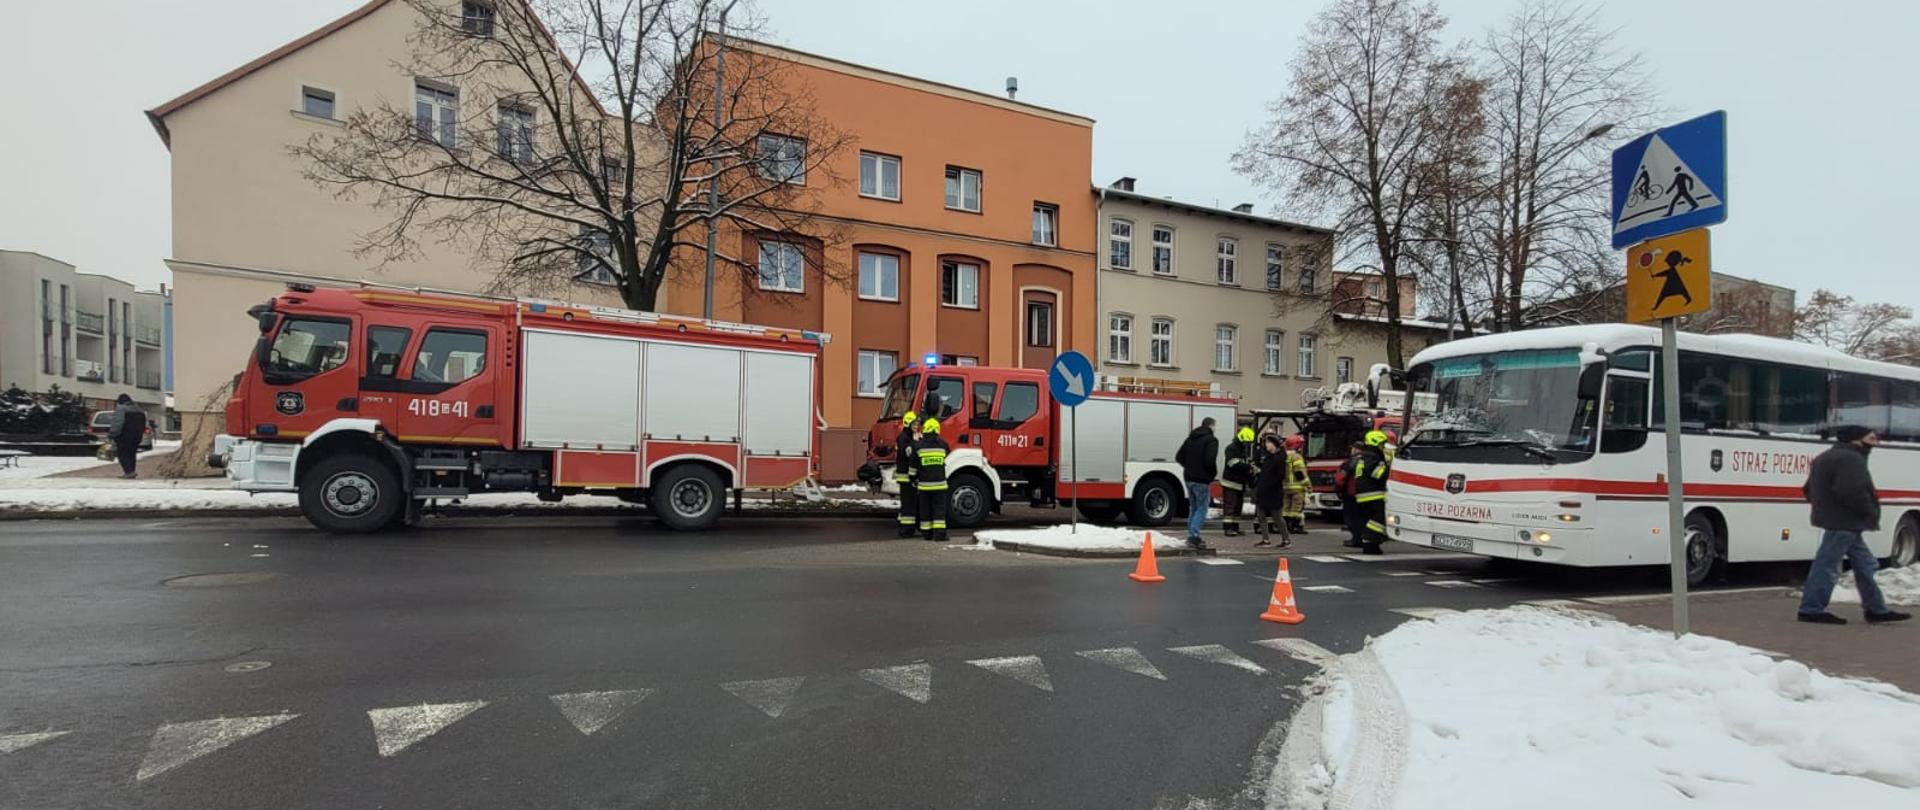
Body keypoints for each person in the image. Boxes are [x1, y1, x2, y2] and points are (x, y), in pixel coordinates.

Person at [1796, 426, 1911, 625]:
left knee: (1864, 564)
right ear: (1856, 439)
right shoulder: (1851, 459)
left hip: (1840, 521)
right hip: (1845, 522)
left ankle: (1876, 609)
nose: (1876, 442)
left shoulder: (1825, 457)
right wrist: (1869, 511)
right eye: (1871, 438)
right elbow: (1851, 491)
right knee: (1827, 565)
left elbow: (1808, 490)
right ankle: (1812, 609)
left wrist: (1825, 507)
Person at [1175, 417, 1220, 550]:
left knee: (1193, 507)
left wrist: (1189, 467)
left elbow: (1179, 457)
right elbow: (1210, 460)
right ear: (1211, 426)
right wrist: (1211, 474)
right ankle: (1194, 536)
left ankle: (1191, 533)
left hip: (1188, 477)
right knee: (1202, 507)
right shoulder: (1211, 440)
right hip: (1202, 479)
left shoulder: (1190, 438)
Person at [1348, 430, 1392, 555]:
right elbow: (1377, 474)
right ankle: (1369, 543)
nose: (1383, 447)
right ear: (1375, 442)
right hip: (1373, 494)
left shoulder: (1365, 455)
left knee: (1372, 520)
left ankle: (1372, 543)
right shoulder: (1373, 456)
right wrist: (1388, 465)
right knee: (1379, 520)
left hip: (1364, 494)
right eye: (1382, 444)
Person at [914, 417, 950, 542]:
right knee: (939, 510)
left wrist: (913, 478)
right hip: (940, 485)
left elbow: (913, 466)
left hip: (924, 486)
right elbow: (947, 455)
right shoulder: (943, 445)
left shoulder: (919, 446)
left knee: (925, 510)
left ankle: (927, 534)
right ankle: (940, 535)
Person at [1252, 435, 1291, 549]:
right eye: (1265, 442)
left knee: (1277, 517)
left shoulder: (1279, 458)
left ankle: (1286, 540)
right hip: (1263, 490)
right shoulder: (1268, 457)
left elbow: (1280, 475)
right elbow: (1265, 473)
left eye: (1268, 442)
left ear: (1274, 444)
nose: (1266, 445)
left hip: (1273, 491)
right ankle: (1265, 539)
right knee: (1260, 515)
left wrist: (1268, 484)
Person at [1221, 426, 1256, 537]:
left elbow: (1243, 466)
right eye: (1246, 442)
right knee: (1230, 507)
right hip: (1231, 483)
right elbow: (1232, 463)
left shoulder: (1241, 449)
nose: (1247, 444)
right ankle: (1228, 529)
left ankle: (1235, 527)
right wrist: (1247, 466)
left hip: (1239, 484)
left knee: (1237, 507)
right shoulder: (1231, 448)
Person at [893, 410, 920, 538]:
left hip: (909, 475)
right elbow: (909, 453)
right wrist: (915, 442)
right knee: (908, 504)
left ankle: (905, 526)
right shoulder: (904, 438)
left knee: (908, 504)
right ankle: (906, 531)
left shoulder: (906, 437)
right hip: (906, 476)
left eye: (917, 425)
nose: (916, 427)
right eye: (914, 425)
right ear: (908, 425)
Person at [106, 394, 146, 480]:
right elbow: (143, 424)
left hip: (124, 436)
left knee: (122, 454)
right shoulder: (140, 410)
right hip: (137, 436)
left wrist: (112, 434)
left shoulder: (121, 409)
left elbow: (118, 423)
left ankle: (128, 472)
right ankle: (132, 471)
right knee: (132, 454)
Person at [1336, 441, 1366, 548]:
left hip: (1351, 493)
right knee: (1362, 517)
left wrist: (1338, 489)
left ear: (1357, 450)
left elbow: (1341, 479)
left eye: (1353, 448)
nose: (1351, 450)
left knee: (1351, 518)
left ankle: (1356, 539)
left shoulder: (1351, 462)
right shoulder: (1369, 460)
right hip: (1365, 494)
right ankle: (1364, 538)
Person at [1282, 434, 1310, 535]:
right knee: (1296, 508)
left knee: (1286, 508)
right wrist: (1307, 485)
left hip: (1285, 487)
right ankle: (1296, 527)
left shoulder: (1284, 456)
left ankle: (1286, 526)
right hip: (1297, 487)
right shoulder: (1296, 456)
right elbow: (1299, 472)